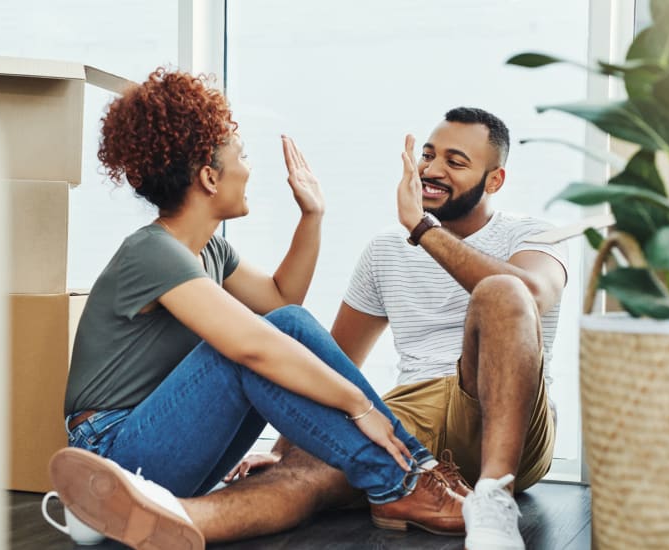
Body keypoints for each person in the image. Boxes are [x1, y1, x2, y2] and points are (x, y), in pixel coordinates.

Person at [59, 106, 570, 550]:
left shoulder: (208, 250)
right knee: (263, 345)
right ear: (210, 179)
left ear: (494, 178)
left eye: (455, 161)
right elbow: (261, 344)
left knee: (279, 326)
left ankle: (128, 508)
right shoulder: (153, 251)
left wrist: (313, 215)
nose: (249, 168)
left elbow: (282, 299)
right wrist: (355, 408)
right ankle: (407, 481)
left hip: (150, 441)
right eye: (241, 156)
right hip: (112, 445)